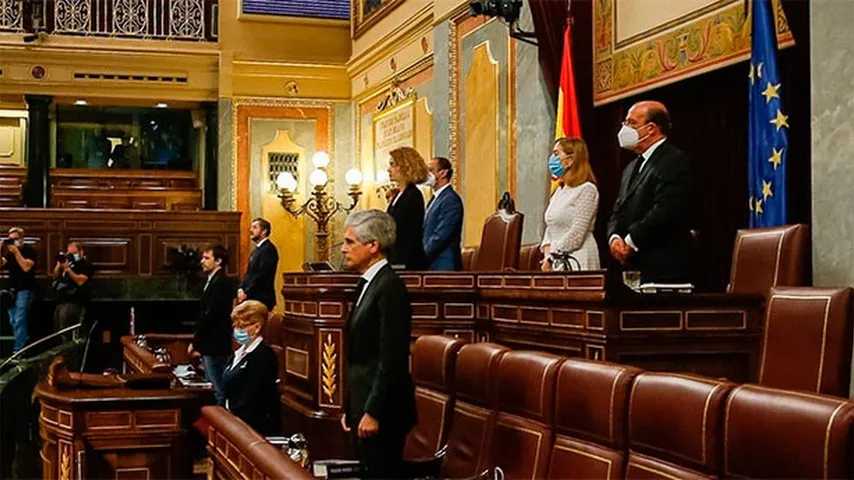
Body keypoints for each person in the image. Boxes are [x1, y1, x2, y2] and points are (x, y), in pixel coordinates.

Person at [339, 210, 416, 478]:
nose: (343, 249)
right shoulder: (367, 285)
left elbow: (391, 358)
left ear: (373, 246)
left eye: (350, 242)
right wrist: (350, 407)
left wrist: (373, 411)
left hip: (383, 413)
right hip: (363, 405)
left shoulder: (390, 287)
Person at [607, 100, 695, 283]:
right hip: (632, 266)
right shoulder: (630, 167)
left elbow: (666, 209)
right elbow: (618, 208)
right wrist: (614, 237)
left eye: (631, 123)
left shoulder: (674, 160)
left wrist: (631, 240)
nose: (625, 128)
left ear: (651, 129)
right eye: (624, 123)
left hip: (663, 266)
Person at [541, 138, 601, 271]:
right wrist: (547, 255)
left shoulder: (587, 189)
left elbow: (577, 233)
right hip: (555, 261)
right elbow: (550, 227)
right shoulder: (559, 190)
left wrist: (552, 255)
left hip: (579, 259)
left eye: (556, 154)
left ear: (570, 160)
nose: (552, 158)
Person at [222, 300, 280, 436]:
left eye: (241, 326)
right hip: (233, 421)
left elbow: (252, 398)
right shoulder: (239, 353)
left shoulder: (263, 355)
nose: (236, 331)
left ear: (257, 327)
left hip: (253, 429)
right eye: (235, 326)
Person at [188, 245, 234, 405]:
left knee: (217, 388)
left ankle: (219, 425)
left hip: (216, 343)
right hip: (210, 342)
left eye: (207, 258)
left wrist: (196, 342)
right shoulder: (211, 281)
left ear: (219, 261)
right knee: (211, 385)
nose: (202, 261)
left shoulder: (222, 282)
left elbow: (211, 315)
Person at [386, 146, 428, 269]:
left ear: (406, 166)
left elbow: (408, 233)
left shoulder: (413, 195)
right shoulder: (398, 195)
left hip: (408, 263)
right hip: (395, 259)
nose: (389, 169)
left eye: (393, 164)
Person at [422, 156, 464, 270]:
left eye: (430, 170)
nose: (426, 174)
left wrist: (421, 256)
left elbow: (441, 235)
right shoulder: (435, 198)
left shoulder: (450, 199)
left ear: (443, 173)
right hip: (432, 263)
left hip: (445, 265)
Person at [1, 227, 36, 352]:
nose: (13, 242)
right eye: (10, 240)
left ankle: (18, 349)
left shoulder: (29, 250)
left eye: (15, 239)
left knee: (20, 319)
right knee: (13, 320)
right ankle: (22, 343)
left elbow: (26, 267)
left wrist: (16, 252)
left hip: (25, 289)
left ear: (22, 239)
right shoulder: (9, 253)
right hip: (12, 290)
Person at [51, 241, 94, 336]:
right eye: (70, 253)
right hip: (61, 301)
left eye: (74, 253)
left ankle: (69, 350)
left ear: (81, 252)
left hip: (74, 302)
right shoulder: (67, 263)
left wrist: (68, 270)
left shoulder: (85, 265)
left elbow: (80, 281)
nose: (72, 256)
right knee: (58, 330)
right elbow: (55, 277)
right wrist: (59, 265)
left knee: (67, 330)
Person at [237, 218, 278, 310]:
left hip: (261, 298)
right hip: (252, 297)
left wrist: (246, 292)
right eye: (251, 228)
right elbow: (248, 274)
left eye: (255, 227)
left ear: (264, 231)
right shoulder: (257, 250)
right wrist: (241, 288)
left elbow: (261, 275)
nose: (251, 230)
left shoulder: (268, 249)